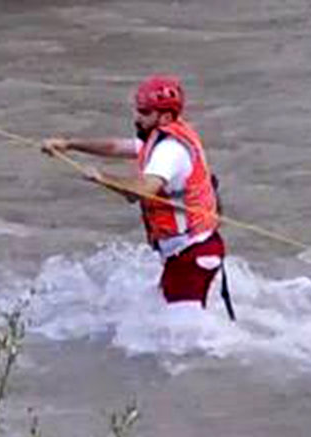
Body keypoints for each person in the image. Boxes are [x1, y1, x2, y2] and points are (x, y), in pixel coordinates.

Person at [42, 74, 233, 318]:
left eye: (144, 112)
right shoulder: (159, 136)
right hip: (186, 252)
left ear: (164, 116)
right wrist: (68, 144)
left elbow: (141, 191)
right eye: (137, 110)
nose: (137, 117)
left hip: (192, 254)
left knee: (178, 340)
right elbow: (115, 147)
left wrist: (102, 178)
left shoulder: (170, 150)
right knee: (165, 322)